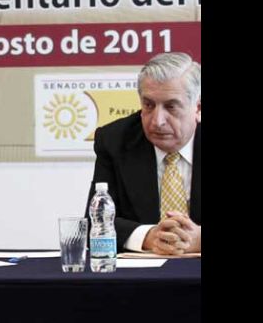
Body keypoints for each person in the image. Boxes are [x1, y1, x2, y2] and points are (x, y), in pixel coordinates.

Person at [86, 52, 201, 255]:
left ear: (198, 108)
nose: (157, 121)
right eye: (148, 105)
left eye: (171, 107)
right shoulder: (115, 140)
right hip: (143, 279)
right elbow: (95, 223)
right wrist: (147, 237)